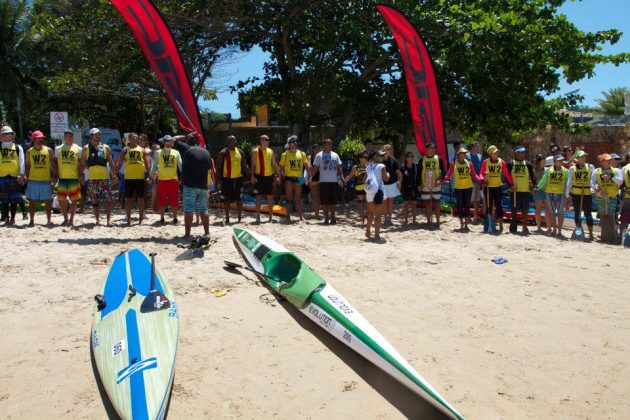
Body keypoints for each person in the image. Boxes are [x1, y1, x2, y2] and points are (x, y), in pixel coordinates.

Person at [165, 132, 212, 237]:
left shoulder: (186, 148)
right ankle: (207, 232)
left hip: (189, 185)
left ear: (189, 142)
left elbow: (172, 139)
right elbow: (209, 168)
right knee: (203, 209)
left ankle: (187, 234)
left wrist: (186, 136)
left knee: (189, 210)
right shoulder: (206, 152)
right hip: (203, 186)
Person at [81, 128, 117, 226]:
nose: (97, 136)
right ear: (91, 136)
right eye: (95, 134)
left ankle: (108, 220)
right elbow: (82, 163)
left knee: (107, 200)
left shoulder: (106, 147)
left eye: (98, 134)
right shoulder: (86, 148)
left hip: (104, 178)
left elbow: (111, 162)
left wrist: (114, 175)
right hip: (92, 178)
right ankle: (97, 220)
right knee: (95, 201)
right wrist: (81, 177)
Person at [442, 147, 483, 231]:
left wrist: (482, 181)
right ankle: (461, 225)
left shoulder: (469, 163)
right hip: (458, 187)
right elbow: (448, 174)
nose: (464, 155)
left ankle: (466, 225)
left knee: (467, 205)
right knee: (460, 205)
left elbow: (474, 175)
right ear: (458, 155)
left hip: (468, 187)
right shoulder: (454, 163)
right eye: (462, 153)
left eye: (465, 153)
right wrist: (442, 180)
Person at [115, 132, 151, 225]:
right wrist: (115, 174)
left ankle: (140, 219)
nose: (136, 139)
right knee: (129, 199)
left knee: (141, 199)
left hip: (140, 177)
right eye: (134, 137)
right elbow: (119, 163)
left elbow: (147, 164)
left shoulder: (142, 150)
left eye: (137, 137)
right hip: (129, 178)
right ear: (129, 139)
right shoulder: (125, 150)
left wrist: (150, 175)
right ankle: (128, 219)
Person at [24, 131, 56, 226]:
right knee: (32, 201)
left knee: (48, 201)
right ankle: (32, 220)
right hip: (33, 180)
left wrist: (54, 176)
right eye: (38, 138)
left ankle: (49, 220)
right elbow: (28, 166)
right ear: (33, 139)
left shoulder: (48, 150)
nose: (40, 140)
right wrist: (26, 176)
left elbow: (53, 164)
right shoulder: (29, 152)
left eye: (41, 138)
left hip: (46, 180)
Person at [216, 135, 250, 224]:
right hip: (227, 179)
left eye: (235, 140)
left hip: (238, 179)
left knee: (240, 199)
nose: (235, 142)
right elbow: (218, 168)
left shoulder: (240, 152)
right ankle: (227, 218)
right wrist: (218, 181)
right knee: (227, 200)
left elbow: (245, 166)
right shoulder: (222, 153)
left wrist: (251, 176)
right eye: (232, 141)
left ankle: (239, 218)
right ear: (228, 142)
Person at [480, 145, 513, 232]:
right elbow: (481, 174)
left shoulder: (501, 162)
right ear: (490, 154)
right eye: (495, 152)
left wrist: (512, 184)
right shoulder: (485, 162)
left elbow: (506, 174)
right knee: (489, 206)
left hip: (498, 187)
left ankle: (501, 225)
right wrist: (483, 179)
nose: (497, 153)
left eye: (497, 152)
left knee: (499, 206)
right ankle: (489, 224)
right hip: (488, 188)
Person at [590, 153, 623, 242]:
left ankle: (611, 235)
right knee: (602, 215)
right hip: (601, 196)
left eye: (610, 160)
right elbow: (592, 184)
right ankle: (603, 234)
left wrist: (610, 177)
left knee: (611, 215)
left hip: (612, 196)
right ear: (602, 161)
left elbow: (620, 182)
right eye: (607, 160)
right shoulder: (597, 171)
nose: (609, 162)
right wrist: (598, 190)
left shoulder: (616, 171)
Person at [54, 129, 83, 226]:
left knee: (74, 200)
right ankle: (65, 218)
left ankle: (71, 219)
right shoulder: (58, 149)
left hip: (74, 178)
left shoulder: (78, 149)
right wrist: (54, 175)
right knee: (61, 199)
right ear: (64, 137)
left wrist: (81, 175)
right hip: (62, 178)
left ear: (72, 137)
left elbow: (81, 164)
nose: (69, 138)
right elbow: (54, 163)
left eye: (71, 136)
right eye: (67, 136)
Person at [151, 135, 181, 225]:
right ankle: (162, 218)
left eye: (169, 141)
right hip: (162, 180)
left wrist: (184, 177)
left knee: (174, 199)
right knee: (161, 199)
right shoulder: (158, 152)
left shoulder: (176, 152)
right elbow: (155, 165)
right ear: (163, 142)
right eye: (165, 141)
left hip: (173, 179)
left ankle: (175, 218)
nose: (167, 142)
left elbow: (180, 165)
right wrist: (152, 176)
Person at [312, 139, 344, 224]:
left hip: (334, 181)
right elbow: (315, 167)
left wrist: (341, 177)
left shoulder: (335, 155)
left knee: (333, 201)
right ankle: (326, 218)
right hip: (323, 181)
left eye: (331, 144)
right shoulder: (319, 155)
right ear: (324, 145)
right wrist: (311, 176)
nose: (330, 145)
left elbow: (339, 167)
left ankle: (333, 217)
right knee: (324, 201)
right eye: (328, 144)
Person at [565, 150, 595, 240]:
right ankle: (579, 230)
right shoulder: (572, 169)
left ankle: (590, 233)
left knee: (588, 213)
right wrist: (567, 193)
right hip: (576, 194)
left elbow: (593, 180)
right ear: (577, 158)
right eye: (581, 157)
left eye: (584, 156)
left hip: (587, 193)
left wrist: (593, 189)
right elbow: (569, 181)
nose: (583, 158)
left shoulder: (590, 167)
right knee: (577, 213)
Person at [278, 135, 308, 222]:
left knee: (298, 198)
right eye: (291, 142)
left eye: (294, 141)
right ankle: (288, 217)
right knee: (289, 198)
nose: (293, 143)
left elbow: (306, 166)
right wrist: (279, 177)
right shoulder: (285, 154)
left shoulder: (302, 154)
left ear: (296, 143)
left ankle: (301, 217)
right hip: (289, 178)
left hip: (298, 178)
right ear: (288, 144)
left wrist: (309, 176)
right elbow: (281, 168)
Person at [537, 155, 569, 237]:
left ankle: (559, 231)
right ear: (554, 162)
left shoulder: (565, 171)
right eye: (559, 160)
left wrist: (567, 194)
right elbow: (544, 180)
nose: (561, 162)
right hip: (549, 193)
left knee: (560, 212)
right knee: (551, 213)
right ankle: (554, 229)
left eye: (562, 160)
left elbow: (567, 183)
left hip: (560, 194)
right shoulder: (549, 170)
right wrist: (537, 188)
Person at [0, 126, 26, 226]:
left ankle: (13, 219)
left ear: (12, 135)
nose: (8, 135)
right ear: (2, 136)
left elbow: (22, 161)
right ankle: (6, 217)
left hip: (15, 176)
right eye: (6, 133)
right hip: (2, 176)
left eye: (10, 133)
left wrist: (22, 174)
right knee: (4, 200)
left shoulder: (18, 147)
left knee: (15, 199)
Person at [250, 134, 279, 223]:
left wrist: (278, 175)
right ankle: (258, 217)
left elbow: (274, 164)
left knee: (270, 197)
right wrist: (252, 176)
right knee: (258, 197)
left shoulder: (270, 151)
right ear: (261, 141)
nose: (268, 141)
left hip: (269, 177)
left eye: (268, 140)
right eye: (266, 140)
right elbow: (253, 165)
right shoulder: (255, 151)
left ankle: (270, 216)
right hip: (259, 177)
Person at [416, 143, 446, 228]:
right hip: (425, 184)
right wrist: (419, 184)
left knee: (436, 202)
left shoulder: (438, 159)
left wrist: (439, 179)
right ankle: (429, 221)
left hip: (436, 184)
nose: (431, 150)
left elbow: (443, 171)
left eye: (433, 148)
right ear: (426, 149)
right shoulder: (422, 160)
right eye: (430, 148)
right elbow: (418, 173)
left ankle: (437, 221)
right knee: (428, 203)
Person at [507, 146, 536, 234]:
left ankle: (524, 226)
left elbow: (532, 176)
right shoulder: (511, 163)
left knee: (525, 209)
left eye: (524, 152)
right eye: (521, 152)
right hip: (515, 190)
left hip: (525, 190)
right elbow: (507, 177)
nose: (523, 154)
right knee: (514, 209)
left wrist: (534, 186)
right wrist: (511, 186)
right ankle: (514, 224)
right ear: (516, 153)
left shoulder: (528, 164)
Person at [365, 150, 390, 241]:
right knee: (378, 215)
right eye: (381, 156)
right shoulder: (382, 166)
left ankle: (367, 232)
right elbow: (386, 179)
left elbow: (365, 180)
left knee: (371, 213)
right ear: (375, 157)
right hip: (378, 191)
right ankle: (376, 235)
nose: (383, 157)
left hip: (369, 191)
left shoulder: (368, 166)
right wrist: (388, 174)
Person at [343, 151, 368, 225]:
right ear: (360, 158)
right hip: (359, 187)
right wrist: (343, 182)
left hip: (368, 187)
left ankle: (366, 218)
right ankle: (363, 218)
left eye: (367, 157)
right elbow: (350, 176)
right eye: (364, 157)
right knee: (361, 203)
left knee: (367, 204)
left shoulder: (369, 166)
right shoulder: (355, 167)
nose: (366, 158)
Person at [380, 144, 402, 226]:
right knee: (384, 203)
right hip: (382, 184)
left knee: (390, 203)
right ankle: (385, 219)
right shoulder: (380, 160)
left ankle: (389, 219)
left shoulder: (394, 160)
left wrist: (399, 182)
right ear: (383, 150)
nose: (388, 150)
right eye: (386, 149)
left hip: (392, 184)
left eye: (389, 149)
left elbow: (398, 172)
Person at [399, 152, 418, 224]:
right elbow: (400, 178)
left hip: (414, 187)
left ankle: (414, 220)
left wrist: (419, 185)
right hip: (405, 188)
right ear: (406, 158)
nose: (411, 158)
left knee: (414, 204)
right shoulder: (402, 167)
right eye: (409, 156)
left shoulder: (416, 166)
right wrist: (400, 186)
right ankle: (406, 220)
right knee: (406, 204)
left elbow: (418, 177)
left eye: (412, 156)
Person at [532, 154, 549, 233]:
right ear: (539, 162)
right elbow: (532, 182)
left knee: (547, 210)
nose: (544, 163)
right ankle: (539, 227)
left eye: (545, 162)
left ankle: (549, 228)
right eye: (543, 162)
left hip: (546, 191)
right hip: (538, 191)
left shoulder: (547, 170)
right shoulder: (534, 171)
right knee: (538, 210)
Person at [466, 142, 483, 222]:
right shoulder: (467, 156)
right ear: (472, 147)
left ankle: (475, 215)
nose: (478, 147)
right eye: (476, 146)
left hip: (479, 181)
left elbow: (482, 168)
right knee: (469, 199)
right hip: (470, 180)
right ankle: (468, 215)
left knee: (477, 199)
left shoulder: (480, 156)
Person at [307, 143, 321, 219]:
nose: (317, 150)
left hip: (321, 178)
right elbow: (309, 166)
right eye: (316, 148)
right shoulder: (310, 157)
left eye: (318, 149)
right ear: (313, 150)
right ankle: (316, 214)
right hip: (313, 178)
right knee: (315, 196)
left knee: (320, 196)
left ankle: (318, 212)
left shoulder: (321, 156)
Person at [620, 159, 630, 241]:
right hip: (627, 197)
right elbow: (621, 183)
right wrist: (626, 189)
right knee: (625, 219)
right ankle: (622, 238)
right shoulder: (625, 168)